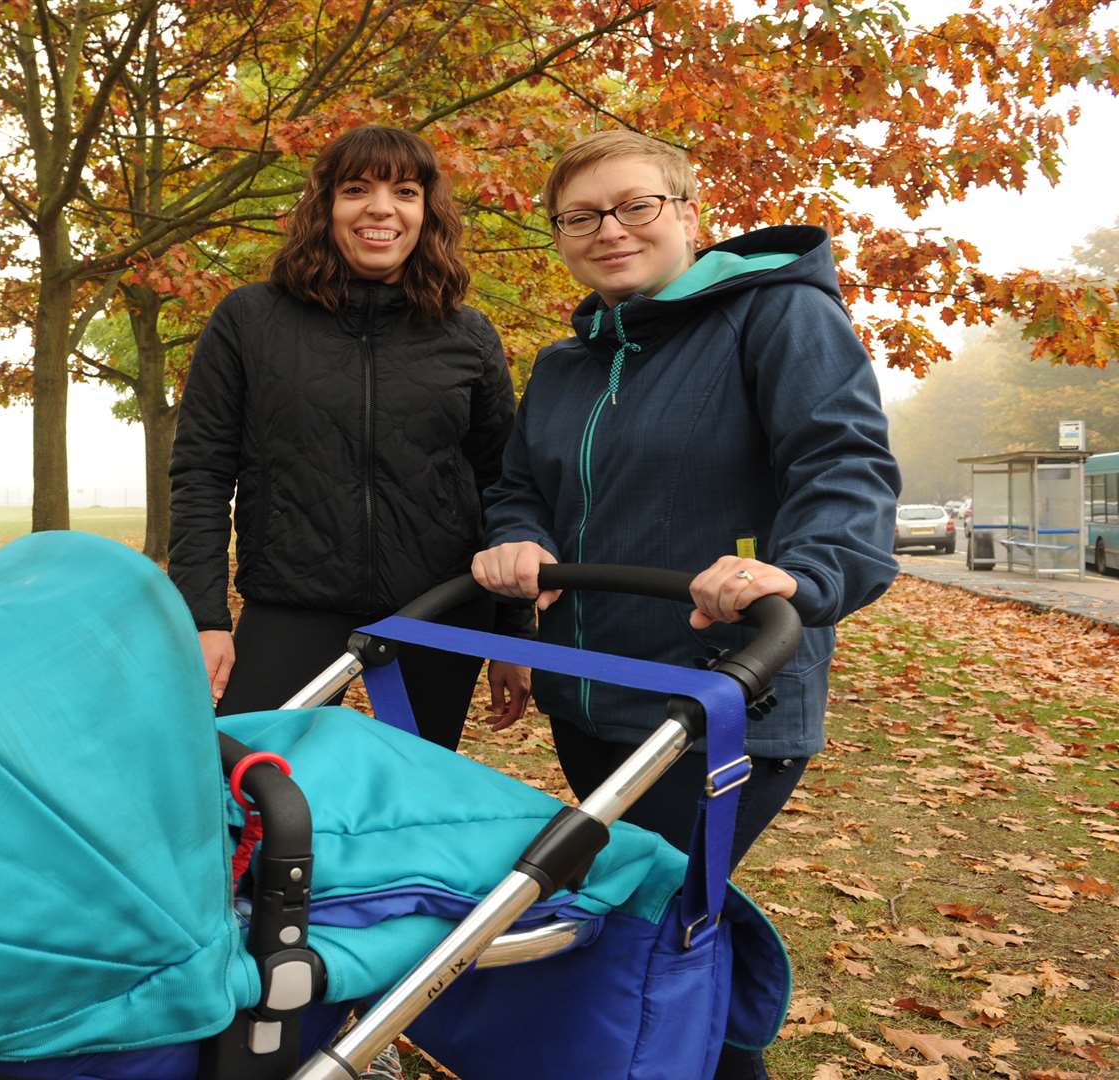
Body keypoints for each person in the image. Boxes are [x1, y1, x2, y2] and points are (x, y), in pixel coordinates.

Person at [469, 130, 901, 1080]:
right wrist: (519, 538)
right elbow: (519, 488)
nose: (609, 230)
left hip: (721, 699)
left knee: (652, 926)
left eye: (636, 206)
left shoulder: (777, 318)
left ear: (691, 215)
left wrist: (802, 571)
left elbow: (843, 461)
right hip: (590, 696)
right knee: (665, 930)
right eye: (580, 217)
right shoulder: (564, 365)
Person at [167, 124, 533, 750]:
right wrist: (202, 618)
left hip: (438, 609)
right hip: (291, 602)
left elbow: (503, 484)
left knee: (411, 794)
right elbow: (201, 473)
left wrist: (512, 634)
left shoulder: (468, 334)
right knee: (247, 786)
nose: (381, 208)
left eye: (406, 191)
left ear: (427, 212)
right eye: (357, 188)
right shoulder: (250, 320)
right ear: (325, 205)